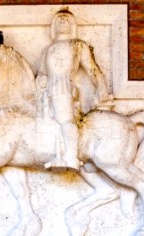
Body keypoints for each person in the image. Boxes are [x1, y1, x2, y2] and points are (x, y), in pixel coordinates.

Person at [36, 10, 110, 171]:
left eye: (66, 20)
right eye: (60, 20)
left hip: (63, 87)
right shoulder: (47, 50)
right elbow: (41, 72)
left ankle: (70, 157)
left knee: (65, 120)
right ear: (54, 24)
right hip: (45, 91)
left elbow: (91, 68)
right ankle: (54, 153)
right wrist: (40, 79)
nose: (63, 22)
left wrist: (101, 86)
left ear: (72, 24)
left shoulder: (77, 45)